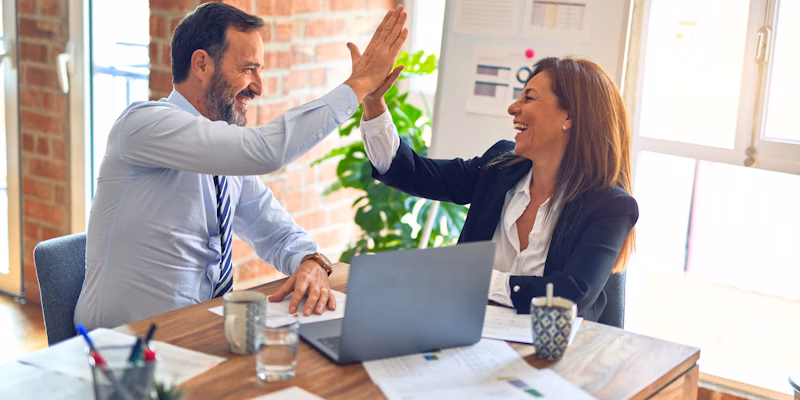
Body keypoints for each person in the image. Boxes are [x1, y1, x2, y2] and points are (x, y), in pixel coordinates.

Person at [74, 3, 408, 329]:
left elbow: (274, 230)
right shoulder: (143, 125)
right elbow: (267, 151)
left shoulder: (224, 156)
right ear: (202, 64)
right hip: (123, 348)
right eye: (248, 68)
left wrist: (311, 261)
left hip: (198, 334)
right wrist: (359, 84)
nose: (258, 87)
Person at [359, 57, 638, 322]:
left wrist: (475, 279)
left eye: (529, 98)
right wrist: (373, 104)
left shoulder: (610, 206)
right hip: (467, 335)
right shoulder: (500, 167)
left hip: (555, 357)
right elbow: (414, 173)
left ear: (569, 117)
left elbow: (569, 295)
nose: (513, 108)